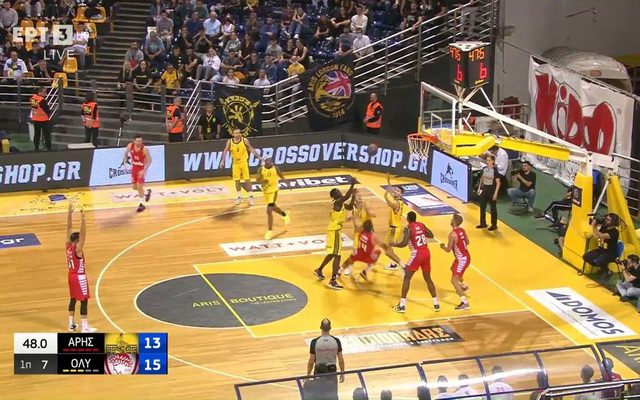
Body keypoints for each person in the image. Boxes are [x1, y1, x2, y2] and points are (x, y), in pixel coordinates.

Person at [392, 211, 438, 313]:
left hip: (417, 254)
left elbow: (404, 243)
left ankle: (402, 305)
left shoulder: (408, 228)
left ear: (408, 219)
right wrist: (422, 233)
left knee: (407, 278)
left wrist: (394, 244)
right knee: (428, 279)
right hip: (426, 253)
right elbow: (431, 235)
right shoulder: (421, 225)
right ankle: (436, 303)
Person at [314, 178, 356, 290]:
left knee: (332, 254)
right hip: (335, 230)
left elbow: (350, 206)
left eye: (339, 190)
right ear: (334, 196)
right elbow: (346, 197)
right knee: (337, 255)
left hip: (333, 230)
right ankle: (333, 280)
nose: (340, 192)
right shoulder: (337, 202)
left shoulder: (341, 204)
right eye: (337, 192)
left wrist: (354, 195)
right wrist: (352, 185)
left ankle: (319, 270)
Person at [66, 203, 97, 333]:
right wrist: (83, 219)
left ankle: (71, 324)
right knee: (84, 301)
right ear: (77, 240)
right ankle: (84, 327)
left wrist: (69, 213)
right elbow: (84, 234)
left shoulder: (68, 246)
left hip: (70, 276)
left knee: (73, 299)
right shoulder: (77, 249)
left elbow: (69, 229)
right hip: (79, 277)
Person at [220, 129, 262, 205]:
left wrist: (258, 156)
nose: (237, 134)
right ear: (233, 134)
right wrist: (223, 160)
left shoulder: (244, 140)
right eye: (236, 133)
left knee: (247, 180)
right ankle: (239, 196)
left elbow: (250, 148)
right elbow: (225, 150)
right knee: (237, 180)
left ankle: (250, 196)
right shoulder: (230, 141)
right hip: (235, 164)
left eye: (239, 133)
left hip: (244, 162)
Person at [307, 319, 345, 399]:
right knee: (332, 395)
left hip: (319, 371)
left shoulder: (315, 342)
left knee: (318, 394)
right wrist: (342, 373)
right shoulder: (336, 341)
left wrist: (308, 374)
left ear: (320, 327)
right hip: (332, 371)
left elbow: (311, 361)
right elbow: (341, 359)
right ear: (330, 328)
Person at [440, 214, 471, 310]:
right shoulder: (462, 230)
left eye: (452, 219)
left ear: (454, 222)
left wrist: (442, 247)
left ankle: (464, 302)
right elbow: (468, 242)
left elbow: (448, 250)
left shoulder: (452, 234)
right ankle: (463, 285)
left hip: (462, 259)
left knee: (453, 280)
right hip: (465, 256)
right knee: (453, 269)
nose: (450, 220)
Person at [256, 157, 291, 240]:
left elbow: (281, 176)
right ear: (265, 162)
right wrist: (262, 181)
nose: (270, 161)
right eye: (268, 160)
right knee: (273, 207)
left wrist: (287, 183)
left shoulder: (276, 168)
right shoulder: (260, 169)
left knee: (269, 210)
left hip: (274, 190)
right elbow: (257, 179)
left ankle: (270, 230)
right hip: (265, 191)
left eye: (270, 160)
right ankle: (284, 214)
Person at [583, 213, 620, 280]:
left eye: (608, 220)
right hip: (601, 250)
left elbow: (601, 235)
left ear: (613, 222)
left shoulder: (614, 232)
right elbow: (596, 236)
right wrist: (594, 227)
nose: (605, 220)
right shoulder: (604, 227)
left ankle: (608, 272)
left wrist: (593, 226)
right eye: (606, 219)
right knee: (586, 256)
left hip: (610, 253)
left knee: (598, 261)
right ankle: (601, 268)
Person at [123, 135, 152, 213]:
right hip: (134, 168)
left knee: (139, 185)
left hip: (142, 168)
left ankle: (141, 204)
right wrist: (125, 163)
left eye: (141, 141)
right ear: (134, 141)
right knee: (134, 187)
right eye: (138, 141)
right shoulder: (130, 146)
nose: (139, 142)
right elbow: (125, 154)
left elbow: (149, 161)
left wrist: (144, 170)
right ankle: (146, 193)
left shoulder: (144, 149)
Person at [383, 175, 405, 271]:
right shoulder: (398, 200)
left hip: (394, 229)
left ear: (401, 194)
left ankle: (403, 266)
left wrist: (385, 197)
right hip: (393, 228)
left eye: (398, 191)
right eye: (395, 190)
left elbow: (391, 204)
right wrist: (388, 181)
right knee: (387, 248)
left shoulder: (396, 203)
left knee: (387, 251)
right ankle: (393, 263)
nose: (395, 192)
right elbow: (391, 191)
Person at [477, 154, 501, 231]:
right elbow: (482, 178)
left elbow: (498, 183)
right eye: (487, 160)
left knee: (493, 208)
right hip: (485, 188)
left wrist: (495, 193)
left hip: (492, 189)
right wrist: (479, 188)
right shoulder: (484, 169)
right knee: (482, 206)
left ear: (493, 161)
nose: (487, 162)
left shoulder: (495, 171)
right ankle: (483, 223)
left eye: (489, 160)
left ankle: (494, 225)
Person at [30, 86, 52, 151]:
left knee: (37, 135)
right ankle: (49, 149)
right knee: (47, 135)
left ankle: (36, 148)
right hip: (44, 120)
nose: (45, 93)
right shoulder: (42, 100)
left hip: (35, 119)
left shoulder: (34, 98)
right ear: (40, 92)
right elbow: (47, 110)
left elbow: (34, 109)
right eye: (44, 92)